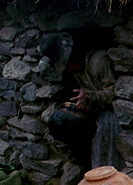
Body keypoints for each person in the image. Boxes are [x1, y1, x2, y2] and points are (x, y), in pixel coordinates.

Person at [38, 31, 123, 171]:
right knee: (57, 122)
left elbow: (116, 91)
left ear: (73, 58)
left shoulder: (99, 61)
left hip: (112, 113)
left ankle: (104, 171)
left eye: (67, 65)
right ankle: (82, 164)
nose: (67, 70)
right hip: (94, 111)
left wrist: (90, 96)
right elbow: (74, 97)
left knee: (105, 126)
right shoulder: (75, 72)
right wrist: (75, 106)